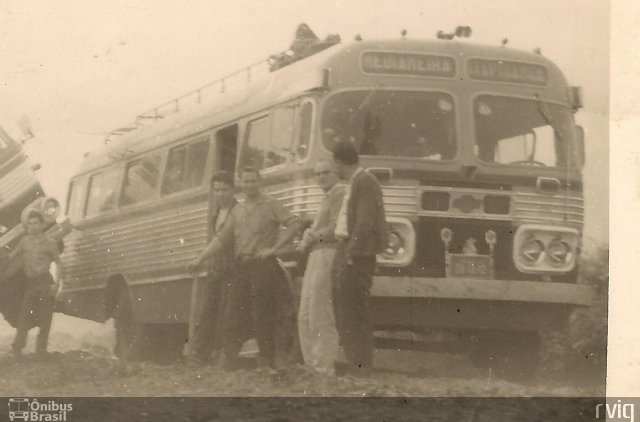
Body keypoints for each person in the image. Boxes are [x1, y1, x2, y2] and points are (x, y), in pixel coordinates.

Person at [188, 167, 303, 369]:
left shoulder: (271, 204)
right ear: (240, 184)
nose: (249, 185)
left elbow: (294, 224)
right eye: (246, 181)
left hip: (263, 266)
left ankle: (267, 359)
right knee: (232, 311)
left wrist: (274, 248)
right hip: (241, 267)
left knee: (262, 312)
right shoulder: (237, 210)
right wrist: (199, 259)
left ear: (260, 183)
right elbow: (222, 239)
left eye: (253, 181)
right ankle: (228, 358)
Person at [332, 141, 387, 374]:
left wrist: (352, 252)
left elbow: (365, 221)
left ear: (339, 163)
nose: (334, 170)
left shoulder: (365, 181)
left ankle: (360, 365)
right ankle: (355, 361)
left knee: (353, 310)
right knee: (345, 307)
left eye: (335, 165)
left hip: (356, 254)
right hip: (347, 249)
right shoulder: (357, 181)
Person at [296, 160, 344, 375]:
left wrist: (314, 235)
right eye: (317, 174)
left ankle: (324, 366)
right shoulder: (326, 198)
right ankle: (312, 364)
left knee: (320, 310)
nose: (321, 177)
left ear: (335, 173)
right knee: (306, 311)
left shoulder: (339, 194)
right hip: (316, 253)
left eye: (326, 172)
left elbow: (336, 228)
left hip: (328, 252)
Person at [188, 171, 238, 365]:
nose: (220, 194)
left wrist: (199, 259)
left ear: (232, 190)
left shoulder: (237, 211)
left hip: (232, 268)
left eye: (224, 190)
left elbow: (222, 240)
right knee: (206, 312)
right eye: (216, 190)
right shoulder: (216, 214)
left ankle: (223, 356)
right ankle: (199, 356)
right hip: (215, 268)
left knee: (227, 314)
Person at [9, 210, 65, 358]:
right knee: (24, 316)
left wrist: (57, 285)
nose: (33, 226)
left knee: (45, 318)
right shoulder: (24, 241)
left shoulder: (50, 243)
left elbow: (59, 264)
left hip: (45, 282)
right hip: (31, 284)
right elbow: (11, 255)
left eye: (36, 223)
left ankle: (41, 351)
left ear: (42, 224)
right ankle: (17, 349)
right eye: (30, 224)